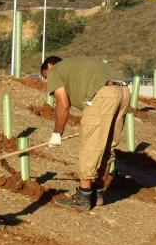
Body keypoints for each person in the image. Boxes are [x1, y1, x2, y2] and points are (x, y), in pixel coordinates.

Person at [42, 55, 130, 211]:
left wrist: (57, 133)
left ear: (49, 66)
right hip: (123, 92)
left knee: (90, 146)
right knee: (106, 145)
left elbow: (63, 104)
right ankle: (97, 193)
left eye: (45, 78)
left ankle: (84, 196)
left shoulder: (55, 70)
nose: (48, 82)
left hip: (103, 95)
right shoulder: (77, 64)